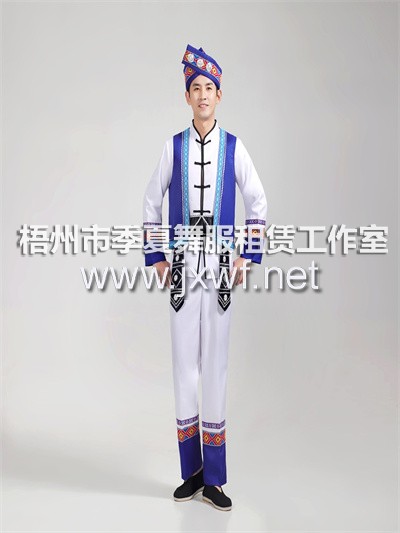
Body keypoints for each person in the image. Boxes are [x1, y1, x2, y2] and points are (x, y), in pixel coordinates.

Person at [142, 44, 267, 511]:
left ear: (219, 94)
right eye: (195, 88)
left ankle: (214, 478)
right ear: (187, 96)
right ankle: (191, 472)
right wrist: (157, 256)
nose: (202, 95)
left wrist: (246, 256)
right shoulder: (172, 146)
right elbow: (151, 201)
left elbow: (257, 201)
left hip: (218, 268)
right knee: (183, 367)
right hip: (181, 268)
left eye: (209, 88)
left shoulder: (233, 147)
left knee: (214, 365)